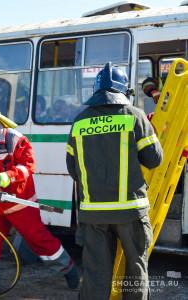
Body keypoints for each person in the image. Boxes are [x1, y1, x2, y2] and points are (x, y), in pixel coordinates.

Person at [0, 99, 79, 295]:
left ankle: (68, 269)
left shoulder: (15, 139)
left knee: (39, 239)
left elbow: (28, 165)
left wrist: (9, 176)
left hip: (18, 203)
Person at [66, 62, 163, 300]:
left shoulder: (79, 122)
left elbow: (73, 169)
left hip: (93, 215)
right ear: (123, 91)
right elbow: (154, 160)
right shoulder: (135, 117)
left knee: (96, 276)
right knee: (135, 273)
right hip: (130, 213)